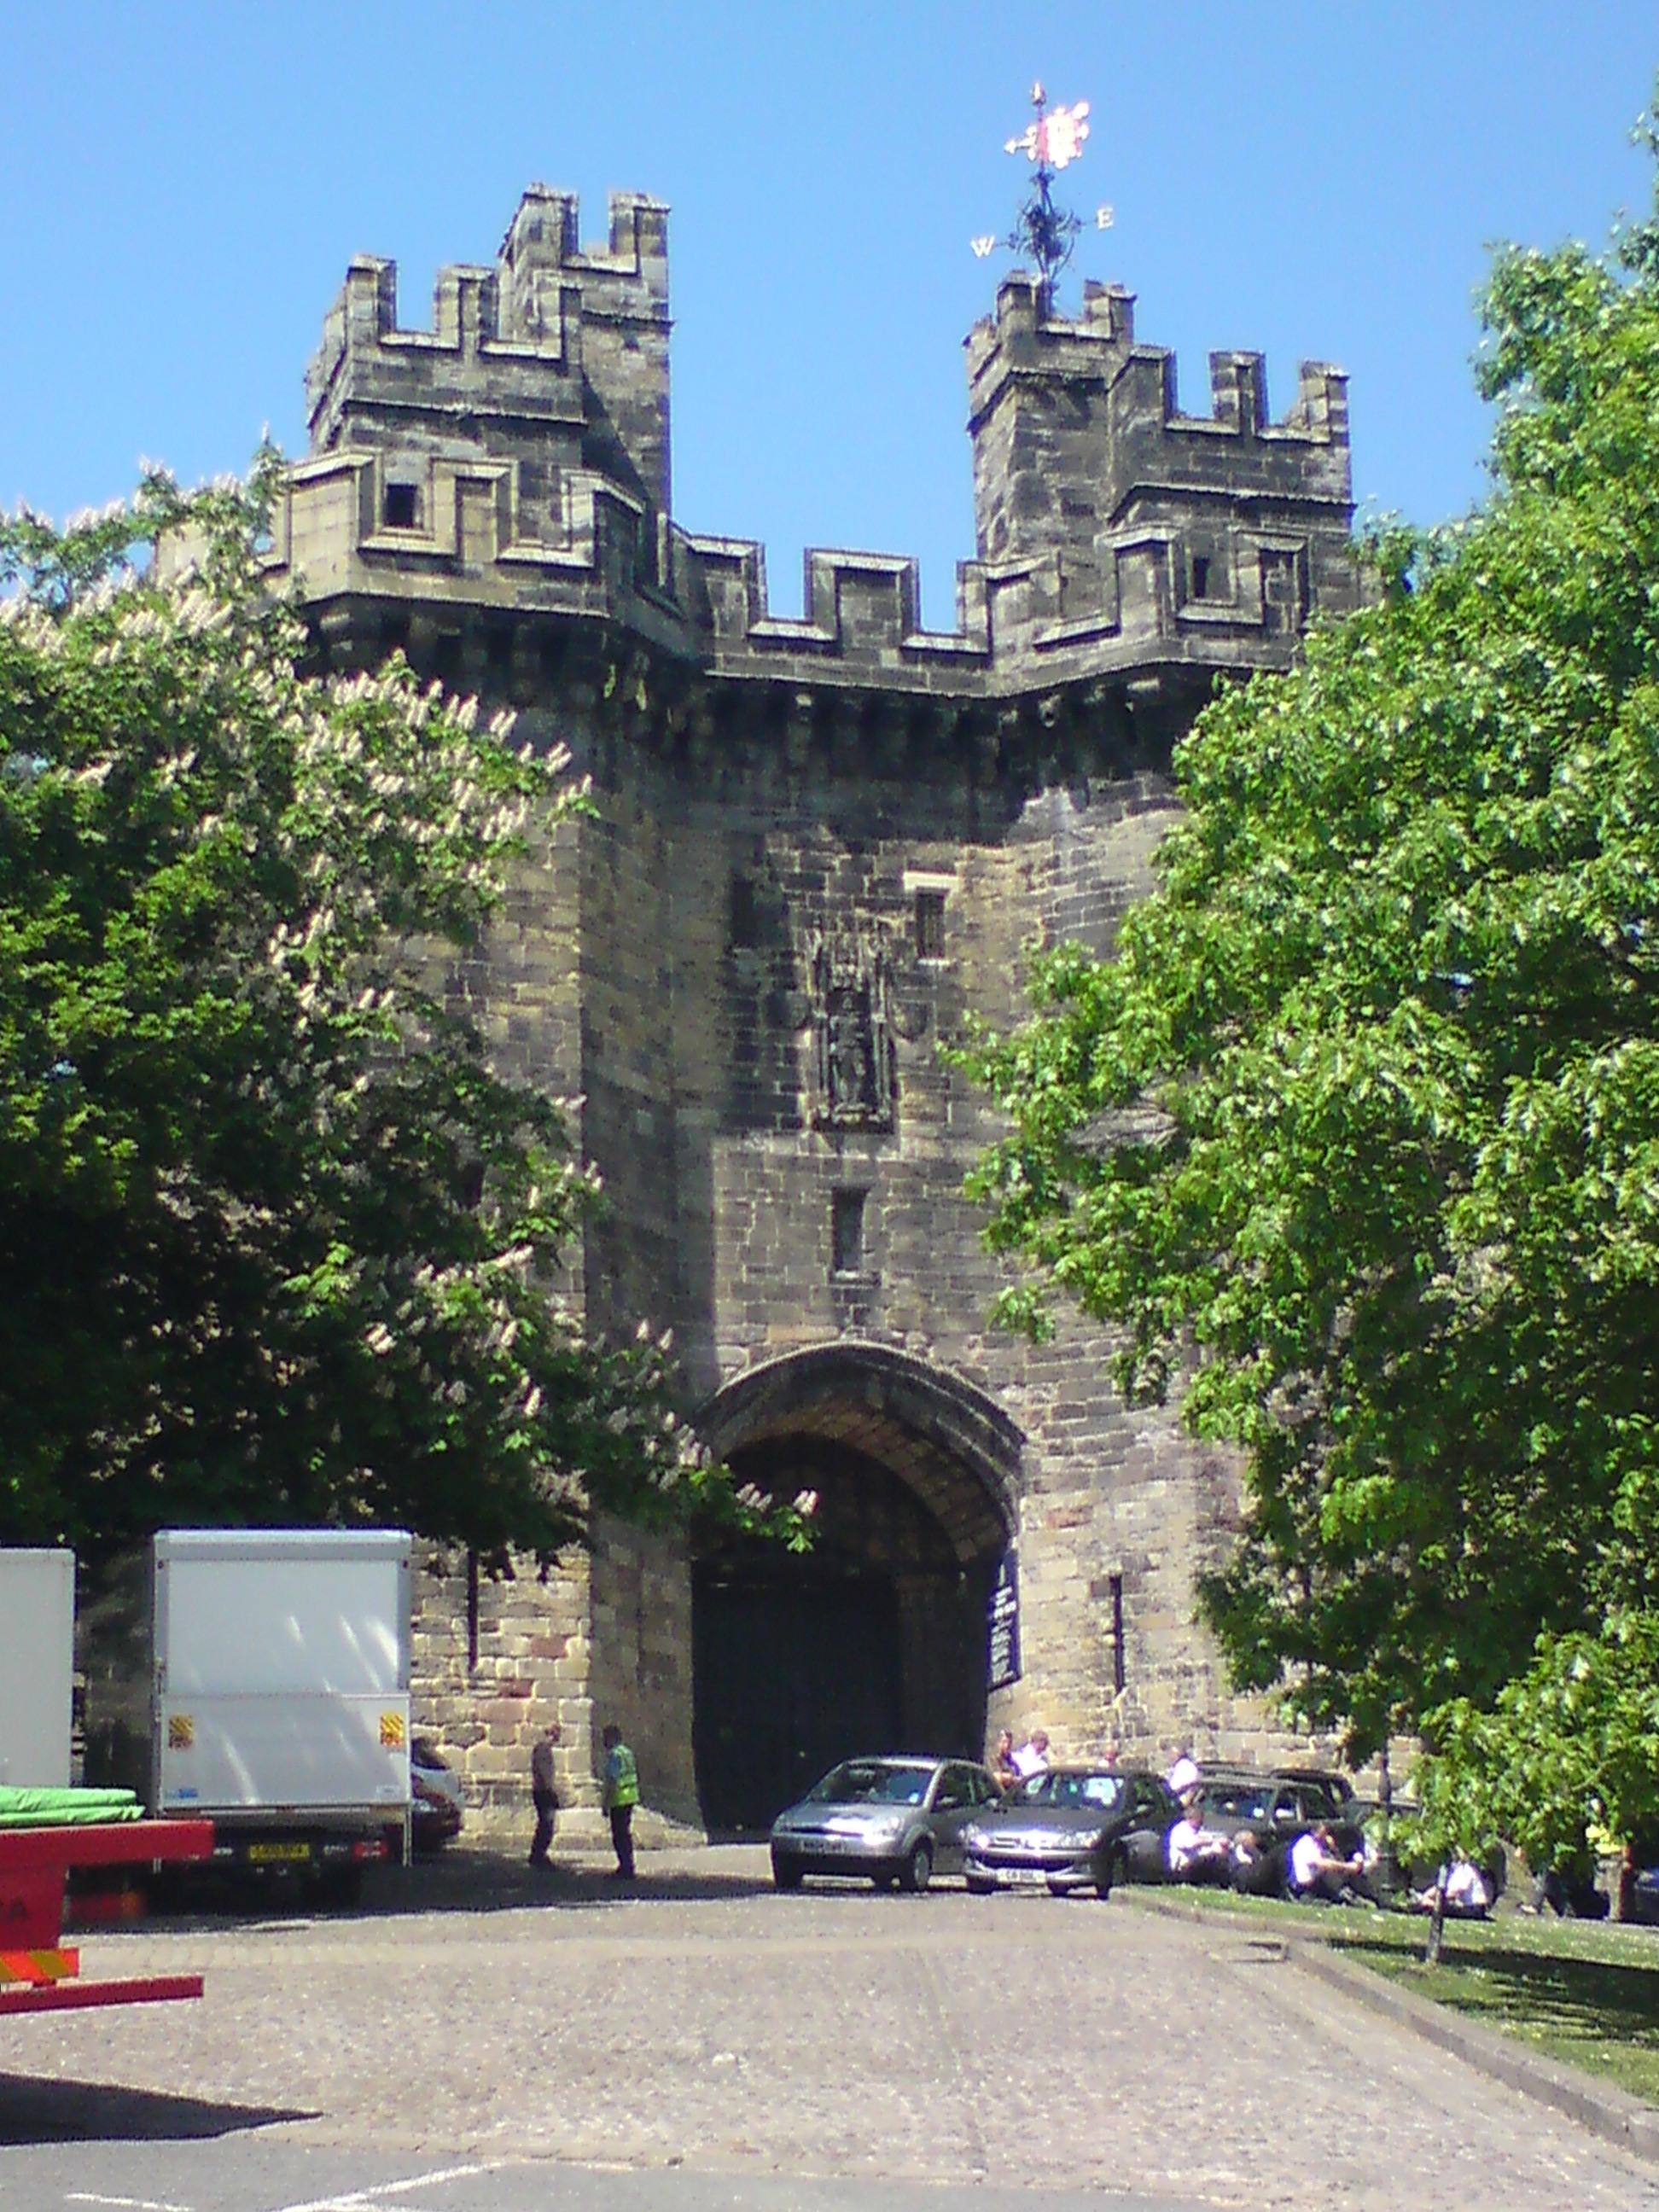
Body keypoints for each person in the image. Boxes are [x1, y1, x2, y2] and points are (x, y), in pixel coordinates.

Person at [1287, 1822, 1366, 1904]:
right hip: (1304, 1888)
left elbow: (1336, 1862)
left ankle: (1347, 1895)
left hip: (1318, 1885)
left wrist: (1334, 1849)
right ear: (1315, 1832)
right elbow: (1322, 1863)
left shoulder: (1320, 1846)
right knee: (1328, 1867)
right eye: (1324, 1833)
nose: (1326, 1836)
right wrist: (1348, 1867)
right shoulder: (1306, 1843)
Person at [1166, 1789, 1234, 1885]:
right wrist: (1212, 1841)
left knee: (1219, 1854)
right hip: (1183, 1867)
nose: (1201, 1822)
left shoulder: (1199, 1830)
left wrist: (1222, 1843)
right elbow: (1191, 1844)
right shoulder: (1181, 1829)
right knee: (1212, 1856)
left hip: (1197, 1865)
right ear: (1191, 1818)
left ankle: (1224, 1882)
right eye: (1199, 1819)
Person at [601, 1721, 638, 1880]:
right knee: (625, 1833)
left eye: (605, 1738)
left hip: (619, 1799)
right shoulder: (627, 1752)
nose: (604, 1742)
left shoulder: (615, 1755)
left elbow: (613, 1779)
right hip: (631, 1797)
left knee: (619, 1835)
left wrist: (605, 1803)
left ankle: (625, 1867)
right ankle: (629, 1864)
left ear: (611, 1738)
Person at [527, 1716, 562, 1871]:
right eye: (557, 1733)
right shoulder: (543, 1749)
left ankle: (538, 1854)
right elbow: (544, 1772)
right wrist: (551, 1790)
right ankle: (537, 1855)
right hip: (543, 1791)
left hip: (543, 1790)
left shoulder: (544, 1748)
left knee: (545, 1824)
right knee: (546, 1824)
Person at [991, 1728, 1022, 1794]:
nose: (1007, 1745)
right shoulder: (992, 1759)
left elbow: (1020, 1777)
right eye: (1004, 1742)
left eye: (1009, 1742)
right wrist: (1011, 1778)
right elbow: (996, 1778)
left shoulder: (1012, 1761)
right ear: (998, 1743)